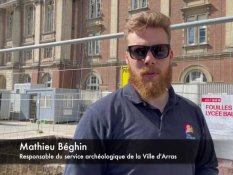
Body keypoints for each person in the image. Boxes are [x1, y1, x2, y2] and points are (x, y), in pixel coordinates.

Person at [64, 11, 218, 175]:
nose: (149, 59)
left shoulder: (192, 113)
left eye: (159, 50)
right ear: (127, 58)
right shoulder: (99, 118)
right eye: (139, 51)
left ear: (170, 56)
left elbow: (206, 166)